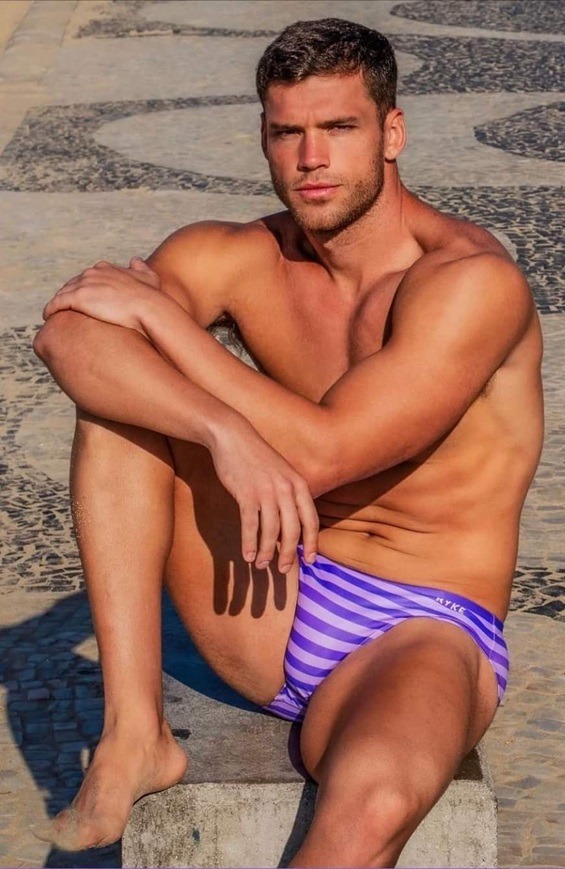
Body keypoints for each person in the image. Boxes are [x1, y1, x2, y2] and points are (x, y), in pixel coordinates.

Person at [33, 17, 543, 868]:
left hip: (417, 624)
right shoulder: (239, 255)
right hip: (268, 591)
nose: (311, 158)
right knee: (122, 401)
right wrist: (219, 430)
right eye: (287, 132)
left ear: (390, 133)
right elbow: (68, 335)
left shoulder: (468, 282)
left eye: (338, 127)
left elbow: (326, 452)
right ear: (264, 137)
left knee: (374, 803)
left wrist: (163, 320)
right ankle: (134, 734)